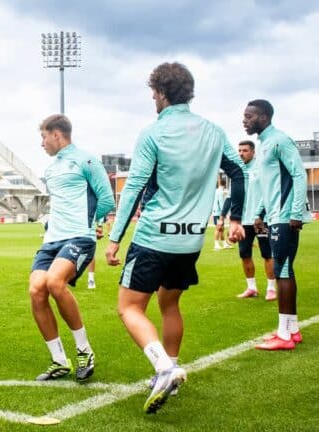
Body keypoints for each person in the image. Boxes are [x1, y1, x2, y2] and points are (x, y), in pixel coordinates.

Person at [106, 62, 245, 414]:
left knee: (129, 307)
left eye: (153, 92)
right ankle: (172, 373)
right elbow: (238, 171)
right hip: (191, 242)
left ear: (161, 93)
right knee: (170, 305)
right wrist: (238, 217)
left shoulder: (153, 132)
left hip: (154, 237)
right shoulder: (213, 131)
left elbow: (135, 186)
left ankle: (165, 369)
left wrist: (114, 238)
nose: (152, 98)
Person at [30, 114, 114, 383]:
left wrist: (92, 223)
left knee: (55, 283)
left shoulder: (87, 160)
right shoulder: (52, 169)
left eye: (43, 137)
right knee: (36, 290)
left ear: (57, 134)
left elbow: (106, 199)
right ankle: (58, 361)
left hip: (79, 237)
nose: (42, 143)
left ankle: (84, 351)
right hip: (51, 240)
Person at [244, 100, 309, 351]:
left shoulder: (280, 140)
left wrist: (294, 213)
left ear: (264, 116)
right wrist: (260, 212)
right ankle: (291, 330)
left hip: (285, 216)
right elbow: (266, 184)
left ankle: (284, 335)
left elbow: (299, 174)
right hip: (274, 216)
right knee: (284, 269)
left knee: (282, 269)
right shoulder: (263, 145)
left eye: (249, 116)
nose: (245, 120)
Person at [235, 140, 277, 301]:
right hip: (243, 222)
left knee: (267, 253)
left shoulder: (261, 169)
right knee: (244, 254)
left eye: (245, 150)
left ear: (253, 152)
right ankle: (251, 287)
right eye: (239, 150)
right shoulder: (238, 172)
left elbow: (267, 193)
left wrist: (260, 215)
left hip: (261, 220)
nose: (241, 153)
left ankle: (271, 289)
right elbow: (235, 197)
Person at [85, 217, 106, 289]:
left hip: (88, 229)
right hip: (72, 228)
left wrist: (96, 229)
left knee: (90, 253)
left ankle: (91, 279)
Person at [212, 181, 232, 250]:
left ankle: (224, 244)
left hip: (216, 212)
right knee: (218, 228)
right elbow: (220, 202)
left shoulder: (216, 191)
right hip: (218, 212)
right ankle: (216, 244)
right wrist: (223, 213)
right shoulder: (220, 191)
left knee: (221, 229)